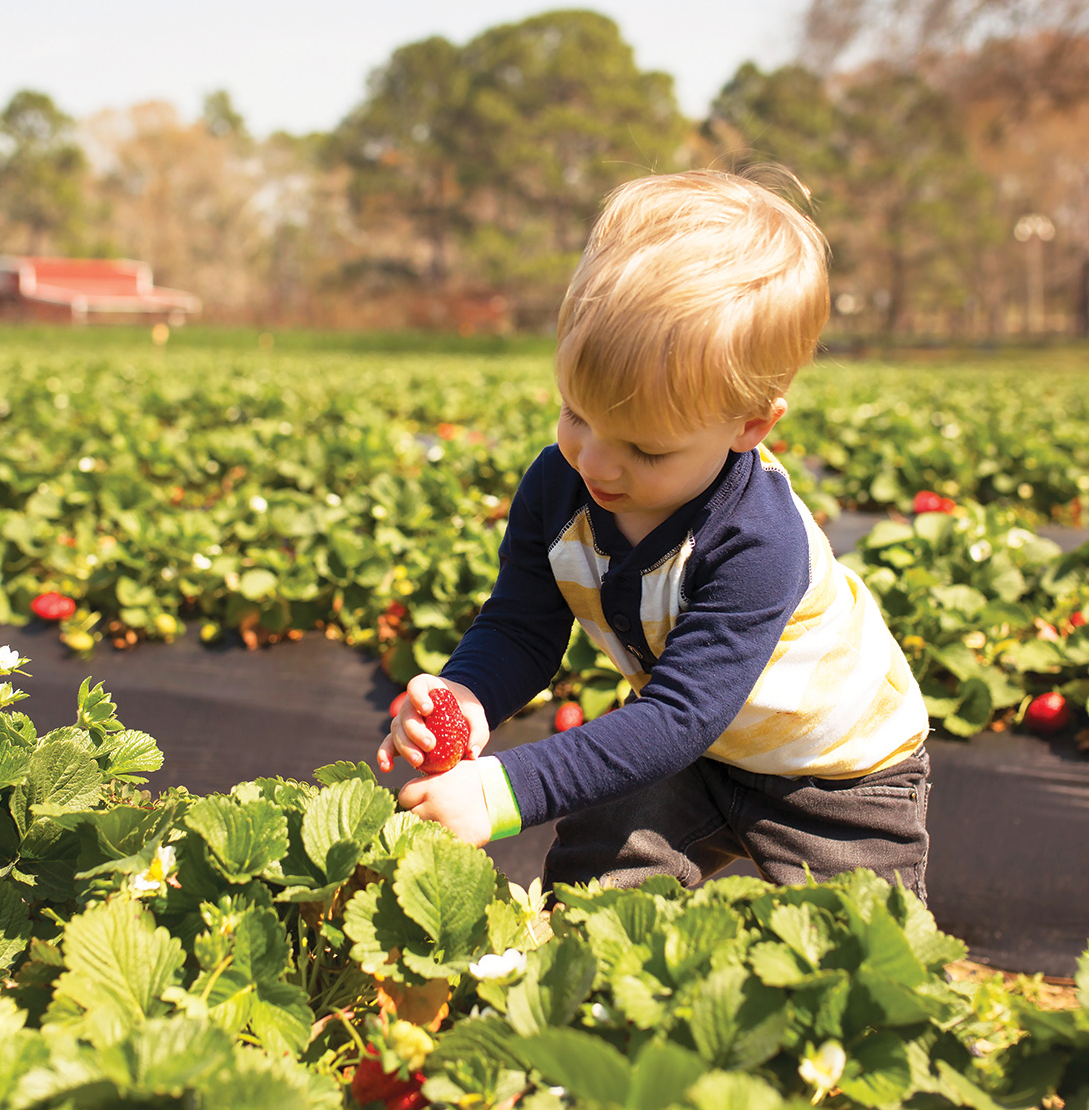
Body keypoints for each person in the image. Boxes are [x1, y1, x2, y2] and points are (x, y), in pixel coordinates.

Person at [375, 168, 932, 897]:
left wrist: (498, 791)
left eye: (647, 448)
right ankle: (594, 993)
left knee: (867, 962)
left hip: (839, 772)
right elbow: (520, 626)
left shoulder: (757, 543)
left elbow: (678, 715)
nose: (595, 461)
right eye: (577, 413)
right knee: (600, 868)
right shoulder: (558, 484)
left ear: (751, 425)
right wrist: (468, 696)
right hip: (692, 750)